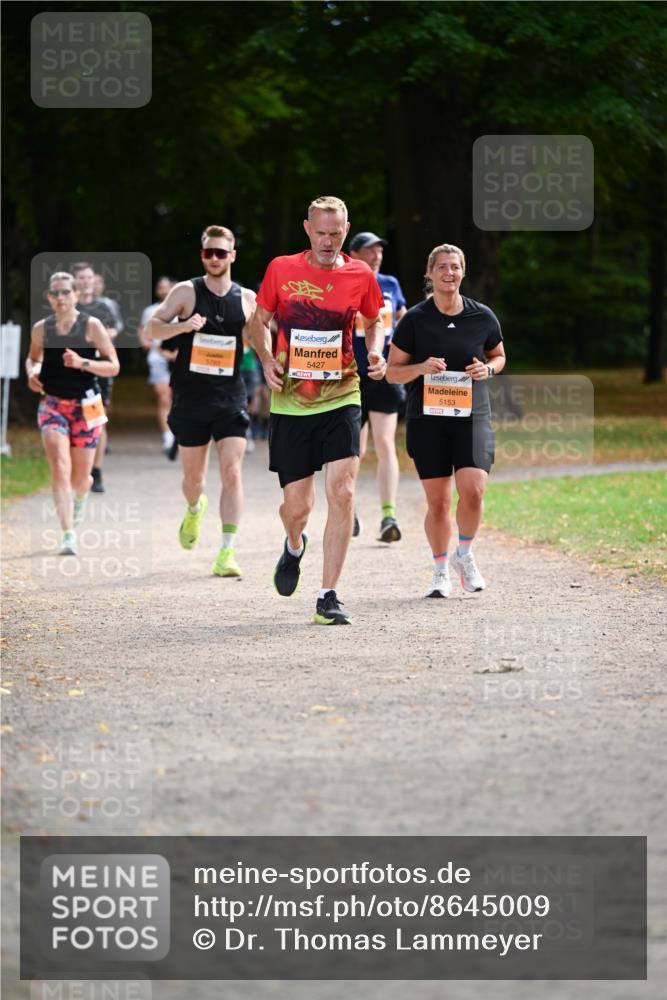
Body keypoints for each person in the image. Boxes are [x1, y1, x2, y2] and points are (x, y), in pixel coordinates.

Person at [248, 195, 386, 625]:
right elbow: (258, 321)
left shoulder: (360, 273)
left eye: (336, 233)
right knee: (297, 508)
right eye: (321, 232)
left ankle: (328, 594)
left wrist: (376, 352)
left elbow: (374, 319)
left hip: (343, 394)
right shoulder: (282, 269)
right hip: (291, 401)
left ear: (346, 230)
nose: (328, 241)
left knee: (343, 491)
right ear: (307, 228)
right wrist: (267, 359)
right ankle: (293, 545)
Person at [386, 243, 506, 597]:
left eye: (454, 267)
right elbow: (392, 373)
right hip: (428, 419)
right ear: (430, 273)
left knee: (474, 491)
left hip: (473, 415)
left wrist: (487, 369)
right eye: (441, 267)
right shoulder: (415, 319)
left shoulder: (482, 316)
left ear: (462, 272)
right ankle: (440, 571)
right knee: (438, 502)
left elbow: (499, 356)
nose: (448, 273)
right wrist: (421, 368)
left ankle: (464, 554)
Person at [145, 225, 256, 578]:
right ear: (202, 255)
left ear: (232, 256)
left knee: (232, 471)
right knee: (194, 480)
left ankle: (227, 551)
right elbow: (153, 329)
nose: (214, 258)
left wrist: (272, 364)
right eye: (209, 252)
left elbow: (260, 338)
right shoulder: (186, 292)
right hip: (191, 396)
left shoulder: (247, 299)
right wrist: (183, 326)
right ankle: (195, 508)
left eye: (221, 252)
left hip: (230, 396)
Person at [25, 271, 120, 555]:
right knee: (60, 466)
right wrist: (33, 371)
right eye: (56, 293)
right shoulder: (42, 328)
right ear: (49, 298)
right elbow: (33, 358)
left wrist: (82, 362)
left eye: (66, 292)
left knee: (81, 479)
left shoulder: (91, 326)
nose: (61, 298)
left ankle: (80, 499)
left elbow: (113, 366)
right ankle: (67, 534)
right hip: (53, 403)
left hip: (87, 405)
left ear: (76, 295)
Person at [349, 231, 407, 542]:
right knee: (353, 450)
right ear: (355, 254)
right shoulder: (345, 281)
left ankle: (388, 515)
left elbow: (402, 318)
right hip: (352, 376)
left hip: (384, 374)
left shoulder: (391, 284)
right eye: (370, 251)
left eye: (380, 251)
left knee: (385, 444)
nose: (377, 256)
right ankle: (350, 510)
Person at [71, 263, 119, 493]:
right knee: (71, 419)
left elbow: (112, 332)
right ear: (74, 281)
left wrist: (94, 338)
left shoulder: (103, 307)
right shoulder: (67, 305)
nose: (86, 281)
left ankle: (96, 471)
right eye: (81, 277)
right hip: (69, 373)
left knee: (96, 420)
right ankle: (77, 469)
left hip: (96, 372)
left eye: (89, 277)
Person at [138, 276, 178, 458]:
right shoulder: (150, 311)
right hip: (158, 358)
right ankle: (168, 436)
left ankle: (181, 432)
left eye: (166, 287)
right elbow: (142, 330)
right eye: (160, 287)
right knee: (164, 397)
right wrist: (146, 343)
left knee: (180, 397)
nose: (163, 290)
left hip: (180, 358)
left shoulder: (182, 308)